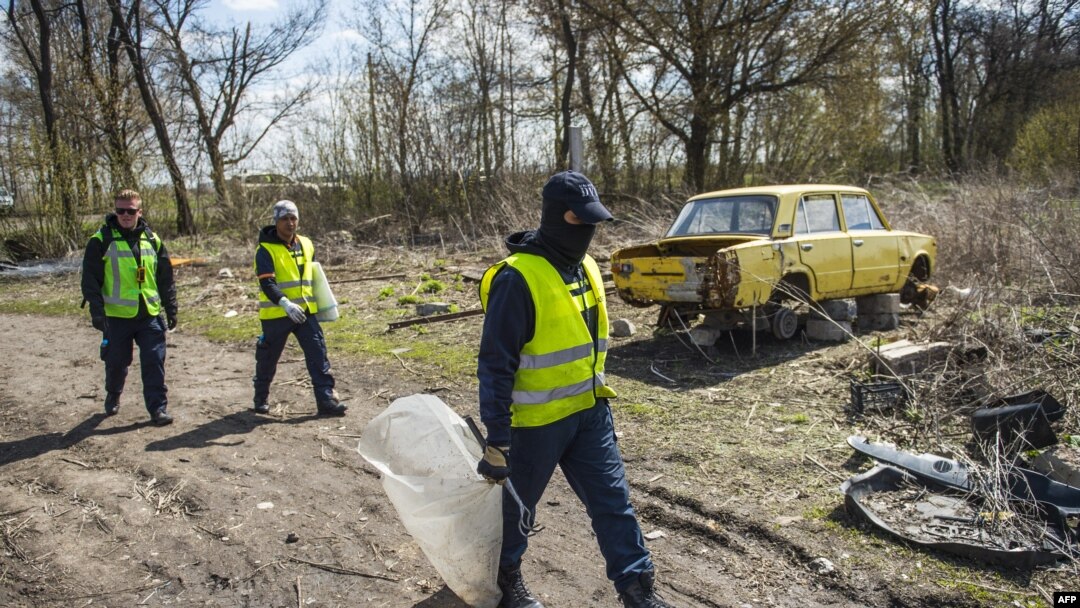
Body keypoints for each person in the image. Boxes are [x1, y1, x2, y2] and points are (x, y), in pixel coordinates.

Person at [476, 171, 672, 608]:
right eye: (581, 221)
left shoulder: (584, 267)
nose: (588, 232)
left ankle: (638, 590)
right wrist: (497, 438)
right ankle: (506, 581)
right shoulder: (517, 278)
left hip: (589, 413)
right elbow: (494, 365)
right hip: (534, 425)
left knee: (613, 503)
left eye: (593, 223)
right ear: (556, 217)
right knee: (516, 512)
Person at [81, 189, 177, 426]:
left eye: (130, 211)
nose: (125, 215)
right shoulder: (101, 240)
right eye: (121, 210)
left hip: (149, 314)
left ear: (139, 212)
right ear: (115, 211)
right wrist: (96, 311)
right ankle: (113, 393)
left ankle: (158, 409)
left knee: (154, 361)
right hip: (116, 317)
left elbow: (165, 278)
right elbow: (90, 279)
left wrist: (171, 306)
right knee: (117, 362)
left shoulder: (153, 240)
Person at [252, 200, 347, 417]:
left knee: (318, 354)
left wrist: (325, 306)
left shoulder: (306, 243)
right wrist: (285, 303)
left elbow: (314, 276)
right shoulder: (265, 249)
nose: (290, 223)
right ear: (276, 222)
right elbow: (267, 283)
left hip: (304, 312)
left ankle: (326, 401)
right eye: (284, 219)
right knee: (268, 358)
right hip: (277, 314)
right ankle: (261, 397)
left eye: (293, 218)